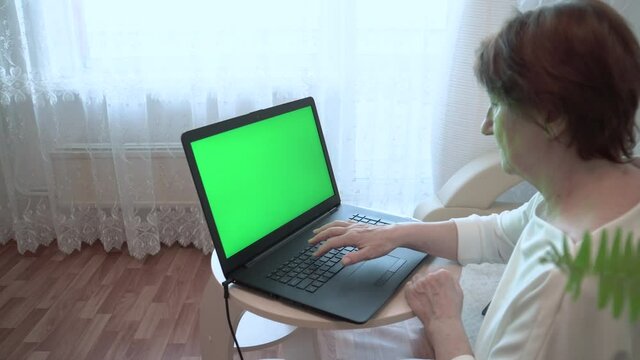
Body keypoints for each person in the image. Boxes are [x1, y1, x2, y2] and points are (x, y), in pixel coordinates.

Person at [309, 1, 640, 359]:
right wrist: (396, 233)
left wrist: (444, 320)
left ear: (552, 118)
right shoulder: (587, 195)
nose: (486, 125)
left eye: (496, 105)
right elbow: (498, 234)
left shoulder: (559, 282)